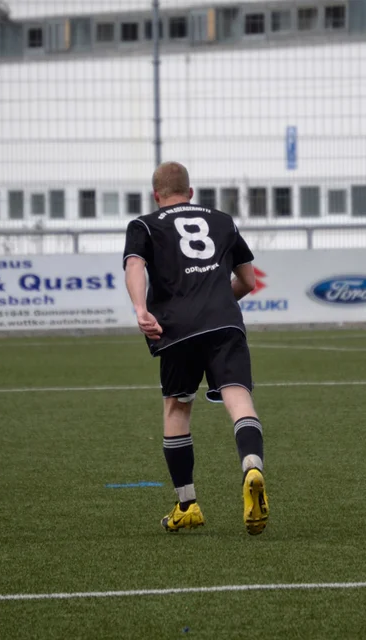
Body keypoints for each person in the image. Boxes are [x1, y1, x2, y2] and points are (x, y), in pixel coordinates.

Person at [123, 161, 269, 536]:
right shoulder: (222, 220)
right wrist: (219, 300)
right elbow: (247, 280)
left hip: (176, 327)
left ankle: (187, 505)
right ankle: (252, 465)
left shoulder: (144, 225)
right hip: (224, 322)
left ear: (156, 195)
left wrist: (140, 309)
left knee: (177, 407)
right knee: (239, 399)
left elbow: (135, 264)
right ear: (190, 192)